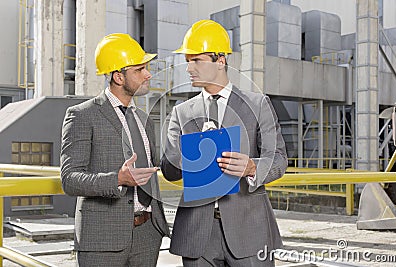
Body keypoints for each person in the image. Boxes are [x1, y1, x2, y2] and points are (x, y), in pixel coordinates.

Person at [161, 20, 288, 266]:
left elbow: (279, 159)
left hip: (248, 230)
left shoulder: (257, 104)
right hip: (198, 234)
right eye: (187, 60)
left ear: (220, 61)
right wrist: (182, 153)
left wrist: (252, 167)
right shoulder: (182, 112)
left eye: (196, 60)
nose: (189, 68)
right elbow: (169, 171)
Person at [61, 33, 169, 267]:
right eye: (140, 69)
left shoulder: (144, 120)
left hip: (147, 235)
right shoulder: (82, 115)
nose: (148, 74)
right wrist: (118, 179)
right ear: (119, 77)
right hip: (102, 240)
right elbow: (69, 179)